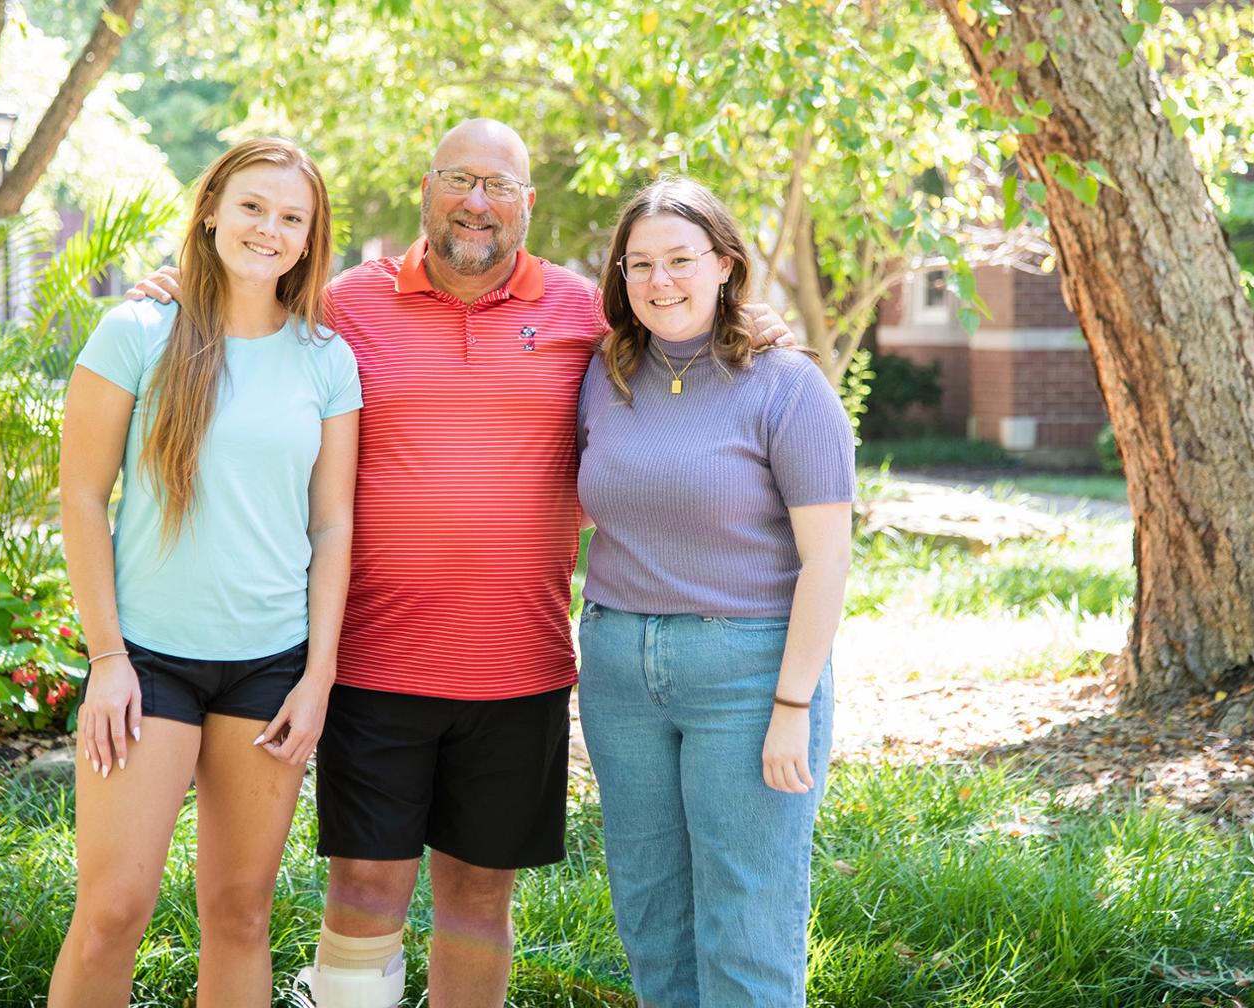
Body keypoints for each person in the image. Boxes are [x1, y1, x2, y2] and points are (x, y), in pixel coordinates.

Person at [128, 119, 791, 1008]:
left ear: (528, 204)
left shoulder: (583, 312)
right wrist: (179, 292)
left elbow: (686, 323)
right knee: (365, 894)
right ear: (426, 190)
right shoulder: (344, 305)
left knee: (479, 900)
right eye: (459, 180)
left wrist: (758, 327)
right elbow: (247, 318)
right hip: (372, 664)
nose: (478, 203)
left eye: (501, 186)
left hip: (519, 670)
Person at [48, 137, 361, 1008]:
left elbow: (332, 522)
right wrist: (107, 659)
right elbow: (81, 498)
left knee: (240, 912)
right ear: (213, 206)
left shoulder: (325, 358)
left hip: (271, 666)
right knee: (112, 911)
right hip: (148, 662)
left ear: (309, 239)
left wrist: (319, 677)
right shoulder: (137, 330)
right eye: (253, 206)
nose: (269, 228)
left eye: (290, 218)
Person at [574, 177, 854, 1007]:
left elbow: (828, 563)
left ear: (725, 265)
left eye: (681, 261)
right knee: (652, 916)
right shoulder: (604, 375)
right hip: (621, 668)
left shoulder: (787, 387)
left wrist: (793, 704)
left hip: (749, 673)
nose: (661, 282)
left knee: (747, 924)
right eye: (640, 266)